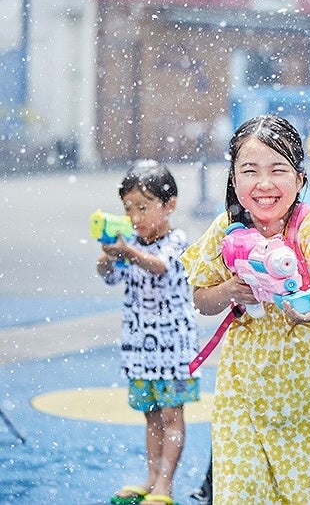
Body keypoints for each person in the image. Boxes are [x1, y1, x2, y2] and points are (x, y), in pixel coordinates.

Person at [180, 115, 310, 504]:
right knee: (245, 486)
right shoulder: (225, 228)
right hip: (247, 385)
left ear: (300, 180)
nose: (264, 184)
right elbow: (201, 299)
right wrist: (230, 289)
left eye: (278, 170)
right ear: (233, 179)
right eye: (250, 171)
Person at [97, 160, 200, 505]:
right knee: (151, 415)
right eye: (128, 209)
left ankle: (165, 486)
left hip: (174, 350)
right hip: (140, 349)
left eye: (143, 207)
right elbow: (112, 278)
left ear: (169, 205)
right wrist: (108, 259)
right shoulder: (132, 246)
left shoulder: (177, 240)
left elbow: (161, 267)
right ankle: (151, 477)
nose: (135, 217)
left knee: (172, 415)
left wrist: (127, 251)